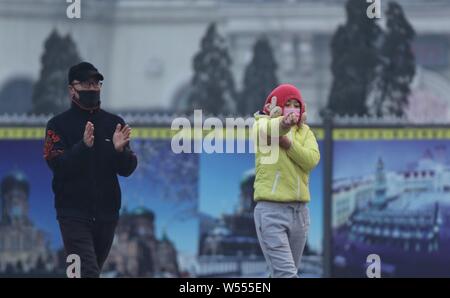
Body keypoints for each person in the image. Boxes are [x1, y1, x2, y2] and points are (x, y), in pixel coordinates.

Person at [43, 62, 138, 277]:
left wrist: (120, 151)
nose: (93, 88)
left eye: (96, 83)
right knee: (85, 272)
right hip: (73, 216)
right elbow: (57, 164)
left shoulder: (113, 123)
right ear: (72, 89)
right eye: (86, 83)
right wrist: (83, 147)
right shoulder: (58, 125)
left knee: (87, 271)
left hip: (107, 216)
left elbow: (127, 169)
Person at [253, 84, 320, 278]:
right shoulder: (262, 124)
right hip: (271, 212)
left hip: (300, 214)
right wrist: (283, 125)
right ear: (276, 107)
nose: (293, 109)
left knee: (281, 275)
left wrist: (289, 145)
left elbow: (311, 160)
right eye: (287, 104)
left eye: (296, 105)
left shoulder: (306, 132)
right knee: (287, 275)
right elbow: (270, 128)